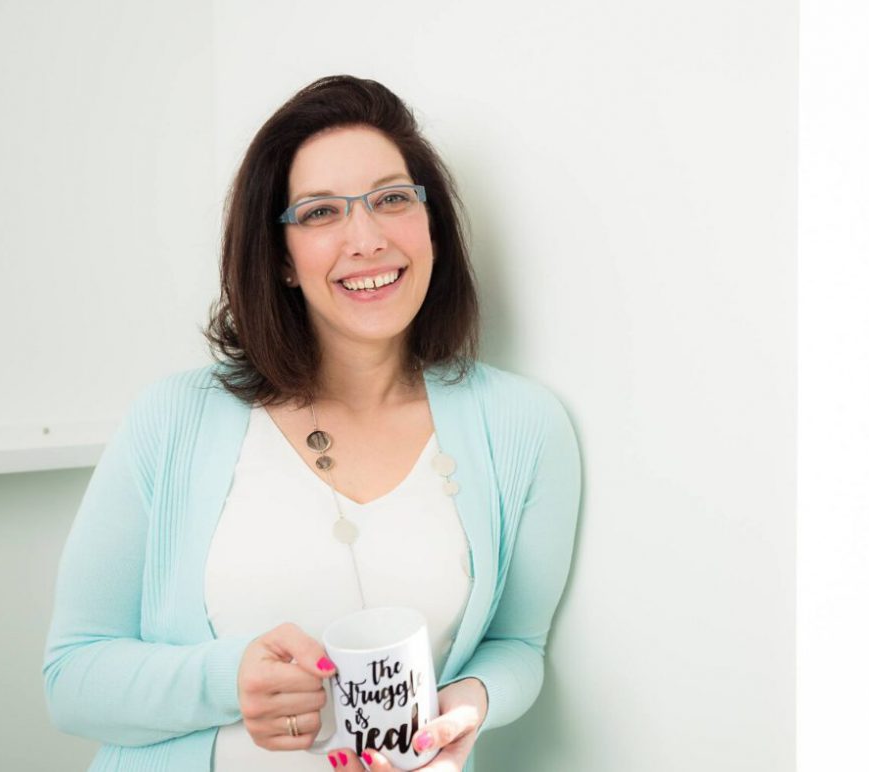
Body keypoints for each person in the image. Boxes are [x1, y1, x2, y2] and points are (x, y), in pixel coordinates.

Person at [42, 74, 581, 772]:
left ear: (432, 225)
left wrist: (469, 702)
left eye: (392, 199)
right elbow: (71, 681)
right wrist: (226, 680)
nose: (366, 239)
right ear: (281, 259)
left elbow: (517, 646)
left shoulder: (524, 426)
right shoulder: (172, 419)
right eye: (321, 213)